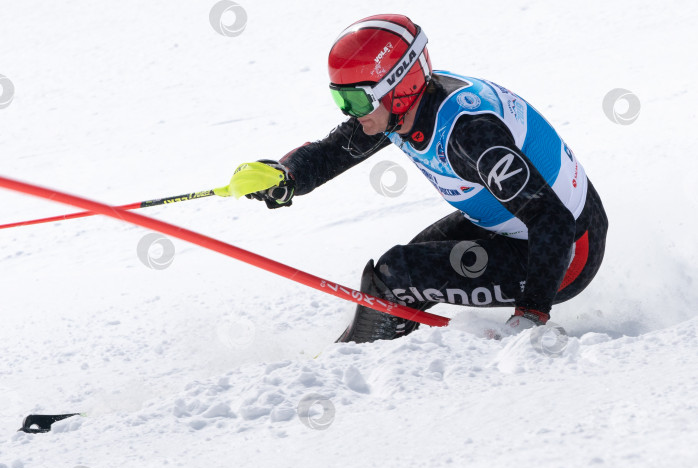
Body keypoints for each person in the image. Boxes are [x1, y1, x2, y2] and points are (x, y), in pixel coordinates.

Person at [243, 13, 608, 343]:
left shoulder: (470, 136)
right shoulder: (405, 108)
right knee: (401, 273)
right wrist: (286, 174)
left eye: (356, 101)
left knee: (400, 274)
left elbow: (553, 220)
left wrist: (530, 315)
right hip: (515, 222)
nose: (353, 115)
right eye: (342, 101)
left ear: (398, 88)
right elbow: (336, 149)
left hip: (566, 251)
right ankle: (365, 352)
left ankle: (361, 365)